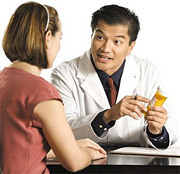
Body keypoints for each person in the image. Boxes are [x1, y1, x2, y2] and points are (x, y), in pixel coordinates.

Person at [0, 2, 107, 173]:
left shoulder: (3, 80)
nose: (59, 46)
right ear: (48, 37)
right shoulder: (41, 92)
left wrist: (68, 146)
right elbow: (74, 163)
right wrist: (86, 153)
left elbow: (13, 149)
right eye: (60, 38)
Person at [51, 4, 178, 149]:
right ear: (91, 35)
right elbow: (61, 132)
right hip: (83, 163)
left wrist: (156, 130)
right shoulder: (64, 74)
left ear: (131, 46)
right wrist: (108, 116)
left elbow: (170, 130)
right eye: (100, 37)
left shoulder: (147, 71)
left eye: (117, 42)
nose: (105, 49)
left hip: (134, 166)